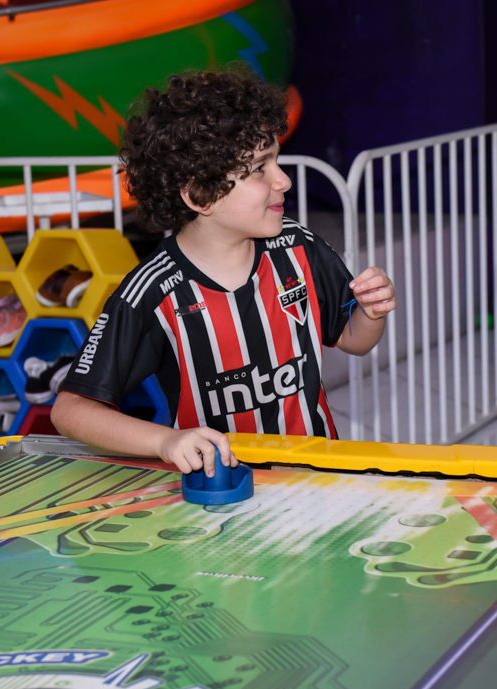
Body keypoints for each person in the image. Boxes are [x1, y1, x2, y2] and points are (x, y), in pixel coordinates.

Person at [52, 70, 395, 474]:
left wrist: (371, 311)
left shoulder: (298, 246)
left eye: (277, 160)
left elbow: (353, 339)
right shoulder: (154, 291)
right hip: (221, 494)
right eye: (259, 169)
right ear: (201, 195)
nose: (283, 180)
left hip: (318, 479)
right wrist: (164, 440)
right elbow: (70, 410)